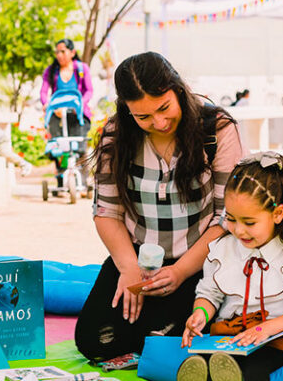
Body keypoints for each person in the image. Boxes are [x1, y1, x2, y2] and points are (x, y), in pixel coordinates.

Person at [74, 52, 243, 362]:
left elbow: (226, 217)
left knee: (171, 340)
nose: (160, 123)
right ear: (127, 110)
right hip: (138, 260)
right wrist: (128, 269)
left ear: (177, 90)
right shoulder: (115, 134)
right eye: (143, 117)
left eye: (164, 108)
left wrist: (179, 271)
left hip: (200, 262)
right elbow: (107, 212)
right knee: (94, 341)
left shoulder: (216, 129)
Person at [177, 152, 283, 381]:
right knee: (205, 362)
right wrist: (200, 313)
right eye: (231, 219)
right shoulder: (222, 249)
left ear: (277, 214)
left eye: (249, 223)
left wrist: (267, 328)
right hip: (229, 337)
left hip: (276, 339)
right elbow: (209, 293)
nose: (238, 230)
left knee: (254, 368)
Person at [40, 38, 93, 185]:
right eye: (57, 52)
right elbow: (43, 92)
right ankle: (61, 179)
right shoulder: (51, 71)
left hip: (78, 114)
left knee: (79, 146)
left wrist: (80, 105)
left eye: (63, 51)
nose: (59, 55)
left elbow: (89, 91)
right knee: (59, 147)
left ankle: (83, 181)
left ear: (72, 52)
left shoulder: (81, 69)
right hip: (58, 114)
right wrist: (47, 105)